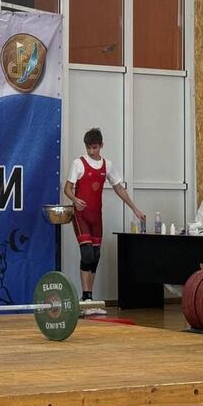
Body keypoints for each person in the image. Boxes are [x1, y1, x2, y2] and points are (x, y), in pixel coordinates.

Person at [63, 127, 146, 314]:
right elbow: (67, 188)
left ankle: (90, 299)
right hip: (81, 216)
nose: (91, 151)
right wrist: (75, 200)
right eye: (89, 148)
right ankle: (85, 299)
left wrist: (134, 208)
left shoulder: (107, 165)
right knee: (87, 255)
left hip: (96, 218)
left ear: (101, 145)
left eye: (95, 147)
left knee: (96, 256)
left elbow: (119, 188)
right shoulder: (78, 163)